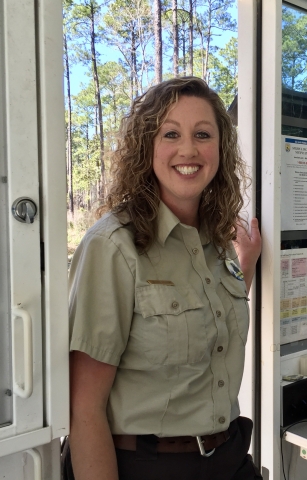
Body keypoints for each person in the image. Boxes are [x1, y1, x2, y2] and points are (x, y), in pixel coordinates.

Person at [64, 77, 262, 480]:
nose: (188, 149)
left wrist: (248, 264)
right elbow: (83, 407)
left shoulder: (218, 241)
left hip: (228, 457)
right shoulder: (113, 247)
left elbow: (211, 322)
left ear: (219, 150)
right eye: (171, 133)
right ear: (147, 147)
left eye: (202, 135)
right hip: (147, 465)